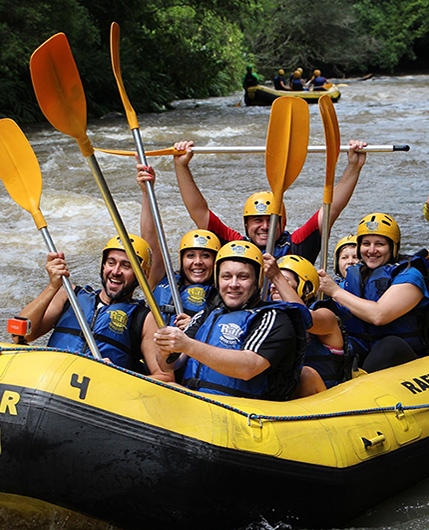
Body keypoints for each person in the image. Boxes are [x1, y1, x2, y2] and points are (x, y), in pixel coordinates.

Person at [171, 139, 368, 265]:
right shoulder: (233, 245)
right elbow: (199, 211)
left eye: (272, 219)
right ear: (246, 224)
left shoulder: (297, 245)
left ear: (283, 223)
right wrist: (181, 167)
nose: (265, 226)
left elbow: (330, 209)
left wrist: (354, 166)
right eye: (257, 220)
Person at [154, 241, 307, 401]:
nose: (233, 284)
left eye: (243, 277)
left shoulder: (273, 318)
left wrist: (188, 345)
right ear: (217, 280)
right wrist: (165, 349)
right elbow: (169, 365)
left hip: (244, 413)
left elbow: (248, 367)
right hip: (195, 403)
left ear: (258, 281)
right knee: (159, 385)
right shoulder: (206, 315)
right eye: (226, 276)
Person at [16, 234, 174, 382]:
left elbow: (165, 377)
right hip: (51, 380)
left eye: (126, 266)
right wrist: (52, 286)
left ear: (142, 275)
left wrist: (118, 376)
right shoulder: (69, 295)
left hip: (96, 396)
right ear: (103, 265)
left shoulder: (144, 318)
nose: (116, 271)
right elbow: (20, 336)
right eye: (111, 263)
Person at [318, 213, 429, 373]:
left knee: (389, 345)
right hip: (364, 353)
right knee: (345, 344)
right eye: (366, 243)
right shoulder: (353, 278)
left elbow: (379, 315)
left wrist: (334, 291)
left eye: (380, 244)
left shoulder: (410, 275)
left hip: (406, 358)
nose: (371, 250)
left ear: (393, 246)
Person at [136, 165, 221, 329]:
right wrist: (147, 192)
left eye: (205, 256)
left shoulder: (225, 292)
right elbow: (149, 239)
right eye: (190, 255)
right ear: (181, 260)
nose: (197, 262)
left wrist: (196, 326)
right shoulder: (161, 280)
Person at [264, 254, 354, 391]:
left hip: (325, 399)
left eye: (285, 281)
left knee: (306, 375)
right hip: (285, 396)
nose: (274, 286)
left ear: (305, 288)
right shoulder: (267, 318)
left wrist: (276, 276)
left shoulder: (326, 316)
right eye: (272, 282)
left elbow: (305, 320)